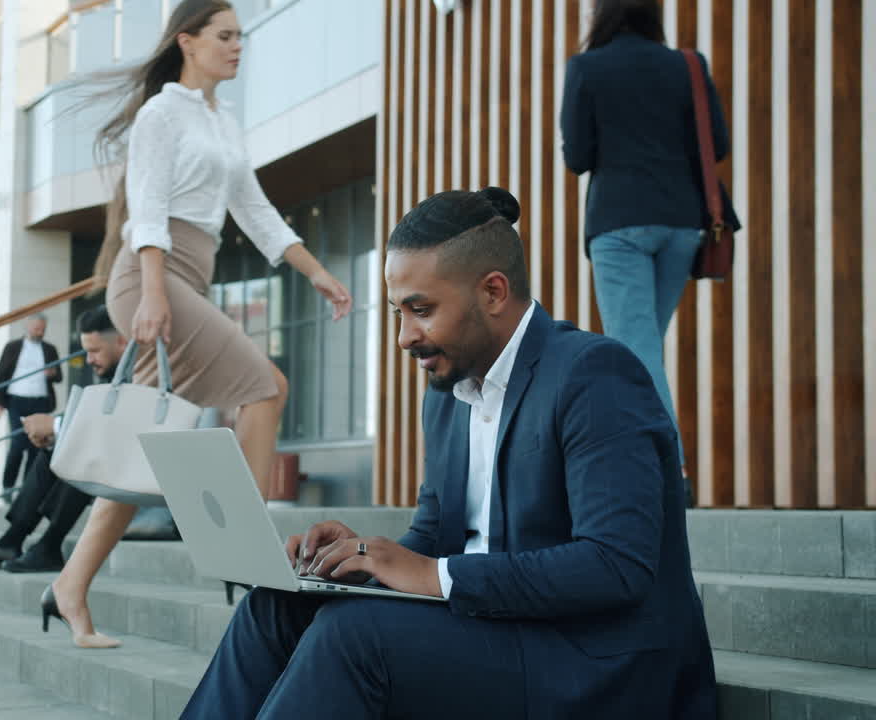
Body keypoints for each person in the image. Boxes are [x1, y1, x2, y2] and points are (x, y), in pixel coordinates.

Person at [182, 188, 717, 719]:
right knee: (273, 608)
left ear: (492, 291)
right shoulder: (447, 394)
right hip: (498, 632)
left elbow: (615, 565)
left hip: (595, 660)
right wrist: (361, 558)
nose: (404, 337)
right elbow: (436, 537)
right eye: (398, 312)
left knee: (354, 635)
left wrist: (435, 576)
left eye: (421, 310)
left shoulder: (594, 374)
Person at [40, 0, 353, 650]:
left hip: (188, 280)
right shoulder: (162, 113)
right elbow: (149, 204)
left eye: (240, 36)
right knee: (266, 387)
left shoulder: (222, 120)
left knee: (140, 442)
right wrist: (154, 293)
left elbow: (255, 209)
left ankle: (70, 584)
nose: (238, 46)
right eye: (225, 35)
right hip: (152, 277)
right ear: (187, 40)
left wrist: (316, 270)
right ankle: (249, 551)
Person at [560, 0, 740, 490]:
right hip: (682, 225)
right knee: (642, 348)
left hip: (619, 225)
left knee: (634, 350)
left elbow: (577, 156)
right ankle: (634, 456)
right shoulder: (686, 64)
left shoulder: (587, 68)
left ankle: (667, 467)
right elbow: (717, 144)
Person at [0, 307, 126, 572]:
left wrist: (57, 425)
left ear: (121, 341)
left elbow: (116, 426)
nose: (88, 360)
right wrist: (54, 434)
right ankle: (12, 538)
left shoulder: (143, 368)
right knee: (52, 450)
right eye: (86, 351)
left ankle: (49, 545)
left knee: (80, 452)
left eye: (94, 351)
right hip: (23, 403)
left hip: (138, 463)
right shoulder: (113, 371)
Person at [0, 314, 62, 498]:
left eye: (42, 329)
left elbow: (59, 376)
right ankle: (8, 487)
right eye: (36, 328)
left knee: (36, 447)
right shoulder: (13, 347)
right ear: (28, 327)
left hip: (40, 401)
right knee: (18, 444)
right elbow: (1, 375)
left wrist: (52, 374)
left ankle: (26, 490)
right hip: (17, 400)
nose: (40, 332)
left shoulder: (50, 349)